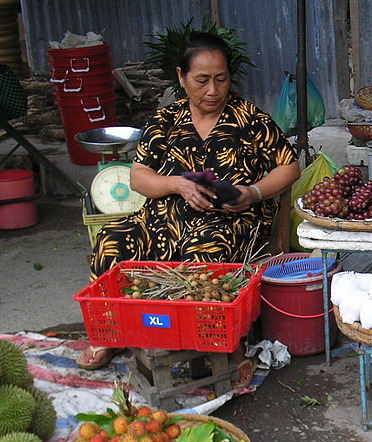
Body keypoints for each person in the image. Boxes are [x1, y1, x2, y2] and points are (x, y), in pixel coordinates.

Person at [77, 32, 300, 390]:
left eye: (221, 78)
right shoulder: (165, 120)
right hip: (163, 221)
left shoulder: (251, 119)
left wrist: (254, 191)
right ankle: (111, 331)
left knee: (205, 249)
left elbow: (289, 167)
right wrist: (177, 184)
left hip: (230, 220)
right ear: (182, 77)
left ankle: (228, 346)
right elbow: (138, 177)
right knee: (112, 240)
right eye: (201, 80)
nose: (213, 90)